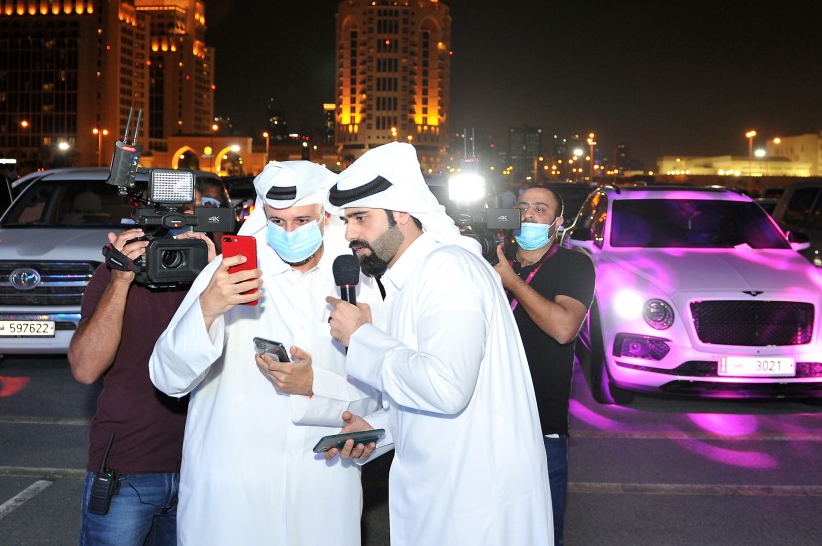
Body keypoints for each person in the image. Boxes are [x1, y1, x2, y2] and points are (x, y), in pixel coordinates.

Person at [324, 141, 553, 546]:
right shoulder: (411, 279)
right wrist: (378, 428)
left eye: (360, 218)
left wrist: (360, 337)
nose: (349, 233)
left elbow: (446, 388)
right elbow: (424, 388)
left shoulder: (448, 270)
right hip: (442, 492)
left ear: (403, 213)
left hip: (473, 501)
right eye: (346, 220)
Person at [149, 161, 384, 546]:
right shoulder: (228, 276)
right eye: (276, 222)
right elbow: (167, 378)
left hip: (320, 483)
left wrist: (314, 385)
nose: (289, 232)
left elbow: (382, 393)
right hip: (233, 489)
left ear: (326, 217)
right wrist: (207, 307)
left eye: (302, 220)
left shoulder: (355, 283)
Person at [68, 187, 218, 545]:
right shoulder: (116, 272)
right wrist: (120, 278)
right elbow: (85, 368)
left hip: (203, 466)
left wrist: (213, 273)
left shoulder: (216, 272)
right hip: (128, 468)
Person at [491, 183, 594, 546]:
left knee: (542, 532)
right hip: (485, 420)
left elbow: (565, 328)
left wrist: (511, 281)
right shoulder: (488, 260)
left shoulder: (573, 264)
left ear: (558, 222)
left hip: (540, 425)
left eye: (541, 208)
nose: (530, 214)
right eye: (523, 207)